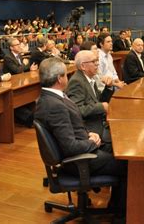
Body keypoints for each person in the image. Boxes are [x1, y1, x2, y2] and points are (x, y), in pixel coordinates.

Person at [34, 57, 127, 217]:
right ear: (59, 79)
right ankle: (119, 214)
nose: (68, 78)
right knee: (128, 164)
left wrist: (88, 134)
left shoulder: (51, 97)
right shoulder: (55, 105)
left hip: (82, 146)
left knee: (117, 148)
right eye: (65, 75)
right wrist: (92, 142)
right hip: (78, 160)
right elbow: (70, 147)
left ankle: (116, 206)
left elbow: (72, 125)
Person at [66, 50, 109, 140]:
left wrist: (108, 87)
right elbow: (78, 110)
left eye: (97, 60)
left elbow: (97, 100)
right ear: (83, 66)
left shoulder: (89, 78)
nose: (97, 64)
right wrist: (101, 107)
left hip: (99, 120)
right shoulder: (77, 81)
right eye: (94, 61)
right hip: (90, 128)